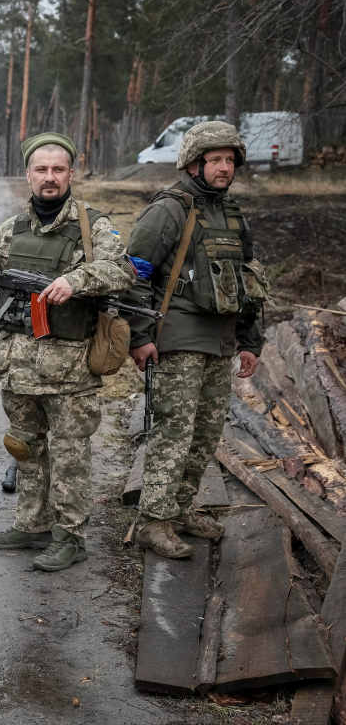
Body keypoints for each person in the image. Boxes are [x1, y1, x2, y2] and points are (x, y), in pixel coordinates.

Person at [0, 132, 135, 572]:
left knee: (70, 455)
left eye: (58, 169)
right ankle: (32, 524)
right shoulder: (16, 226)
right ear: (28, 175)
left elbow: (123, 270)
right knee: (26, 448)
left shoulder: (92, 225)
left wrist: (78, 280)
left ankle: (70, 535)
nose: (50, 177)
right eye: (41, 170)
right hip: (17, 366)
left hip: (70, 371)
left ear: (71, 174)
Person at [122, 121, 267, 558]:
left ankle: (180, 509)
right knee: (173, 432)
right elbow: (135, 273)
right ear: (193, 164)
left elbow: (247, 285)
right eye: (215, 160)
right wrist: (140, 336)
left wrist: (249, 342)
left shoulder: (233, 215)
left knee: (204, 434)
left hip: (220, 342)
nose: (224, 168)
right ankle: (152, 521)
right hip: (178, 340)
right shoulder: (170, 208)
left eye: (229, 160)